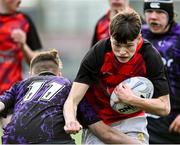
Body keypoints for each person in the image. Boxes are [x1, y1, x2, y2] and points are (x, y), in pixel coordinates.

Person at [63, 10, 170, 144]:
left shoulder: (150, 56)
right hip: (100, 122)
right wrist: (71, 120)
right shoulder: (98, 53)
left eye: (129, 46)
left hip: (133, 121)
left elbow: (164, 107)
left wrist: (132, 99)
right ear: (110, 36)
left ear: (139, 38)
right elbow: (72, 99)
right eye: (117, 45)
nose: (122, 52)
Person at [0, 49, 143, 144]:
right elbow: (105, 134)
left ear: (31, 74)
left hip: (13, 141)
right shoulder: (70, 87)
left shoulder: (20, 85)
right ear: (59, 74)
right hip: (52, 140)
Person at [142, 0, 180, 143]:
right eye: (149, 12)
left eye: (159, 12)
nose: (153, 16)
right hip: (142, 116)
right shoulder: (138, 36)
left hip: (172, 121)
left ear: (170, 15)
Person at [0, 0, 42, 127]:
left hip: (12, 94)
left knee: (14, 138)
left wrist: (23, 45)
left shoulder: (24, 20)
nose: (20, 1)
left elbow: (37, 63)